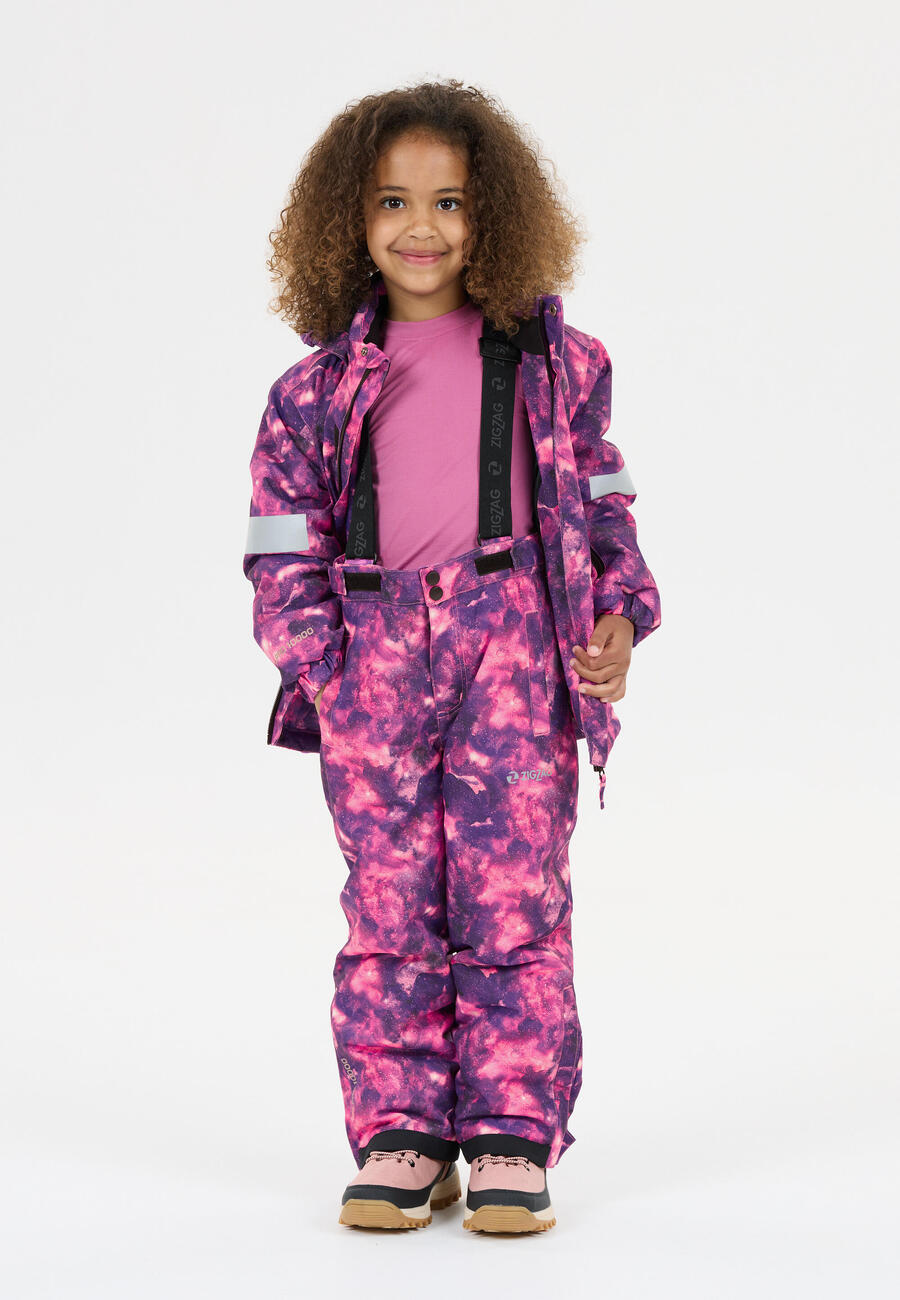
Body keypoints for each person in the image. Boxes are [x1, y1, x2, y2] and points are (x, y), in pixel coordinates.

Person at [243, 79, 660, 1234]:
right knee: (390, 898)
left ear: (498, 216)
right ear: (348, 219)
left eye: (450, 202)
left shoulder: (558, 364)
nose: (420, 227)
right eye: (391, 201)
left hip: (513, 645)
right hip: (372, 651)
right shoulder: (312, 391)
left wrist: (619, 613)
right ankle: (403, 1130)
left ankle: (511, 1132)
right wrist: (323, 665)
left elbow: (604, 501)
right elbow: (279, 546)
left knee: (512, 890)